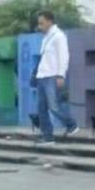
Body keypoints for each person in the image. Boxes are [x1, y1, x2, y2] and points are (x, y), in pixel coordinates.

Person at [34, 10, 78, 144]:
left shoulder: (59, 36)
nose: (39, 26)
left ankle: (72, 125)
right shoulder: (46, 37)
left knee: (54, 106)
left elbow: (64, 57)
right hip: (42, 76)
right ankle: (47, 137)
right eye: (39, 23)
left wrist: (61, 75)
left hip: (52, 76)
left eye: (42, 23)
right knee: (41, 109)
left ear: (49, 21)